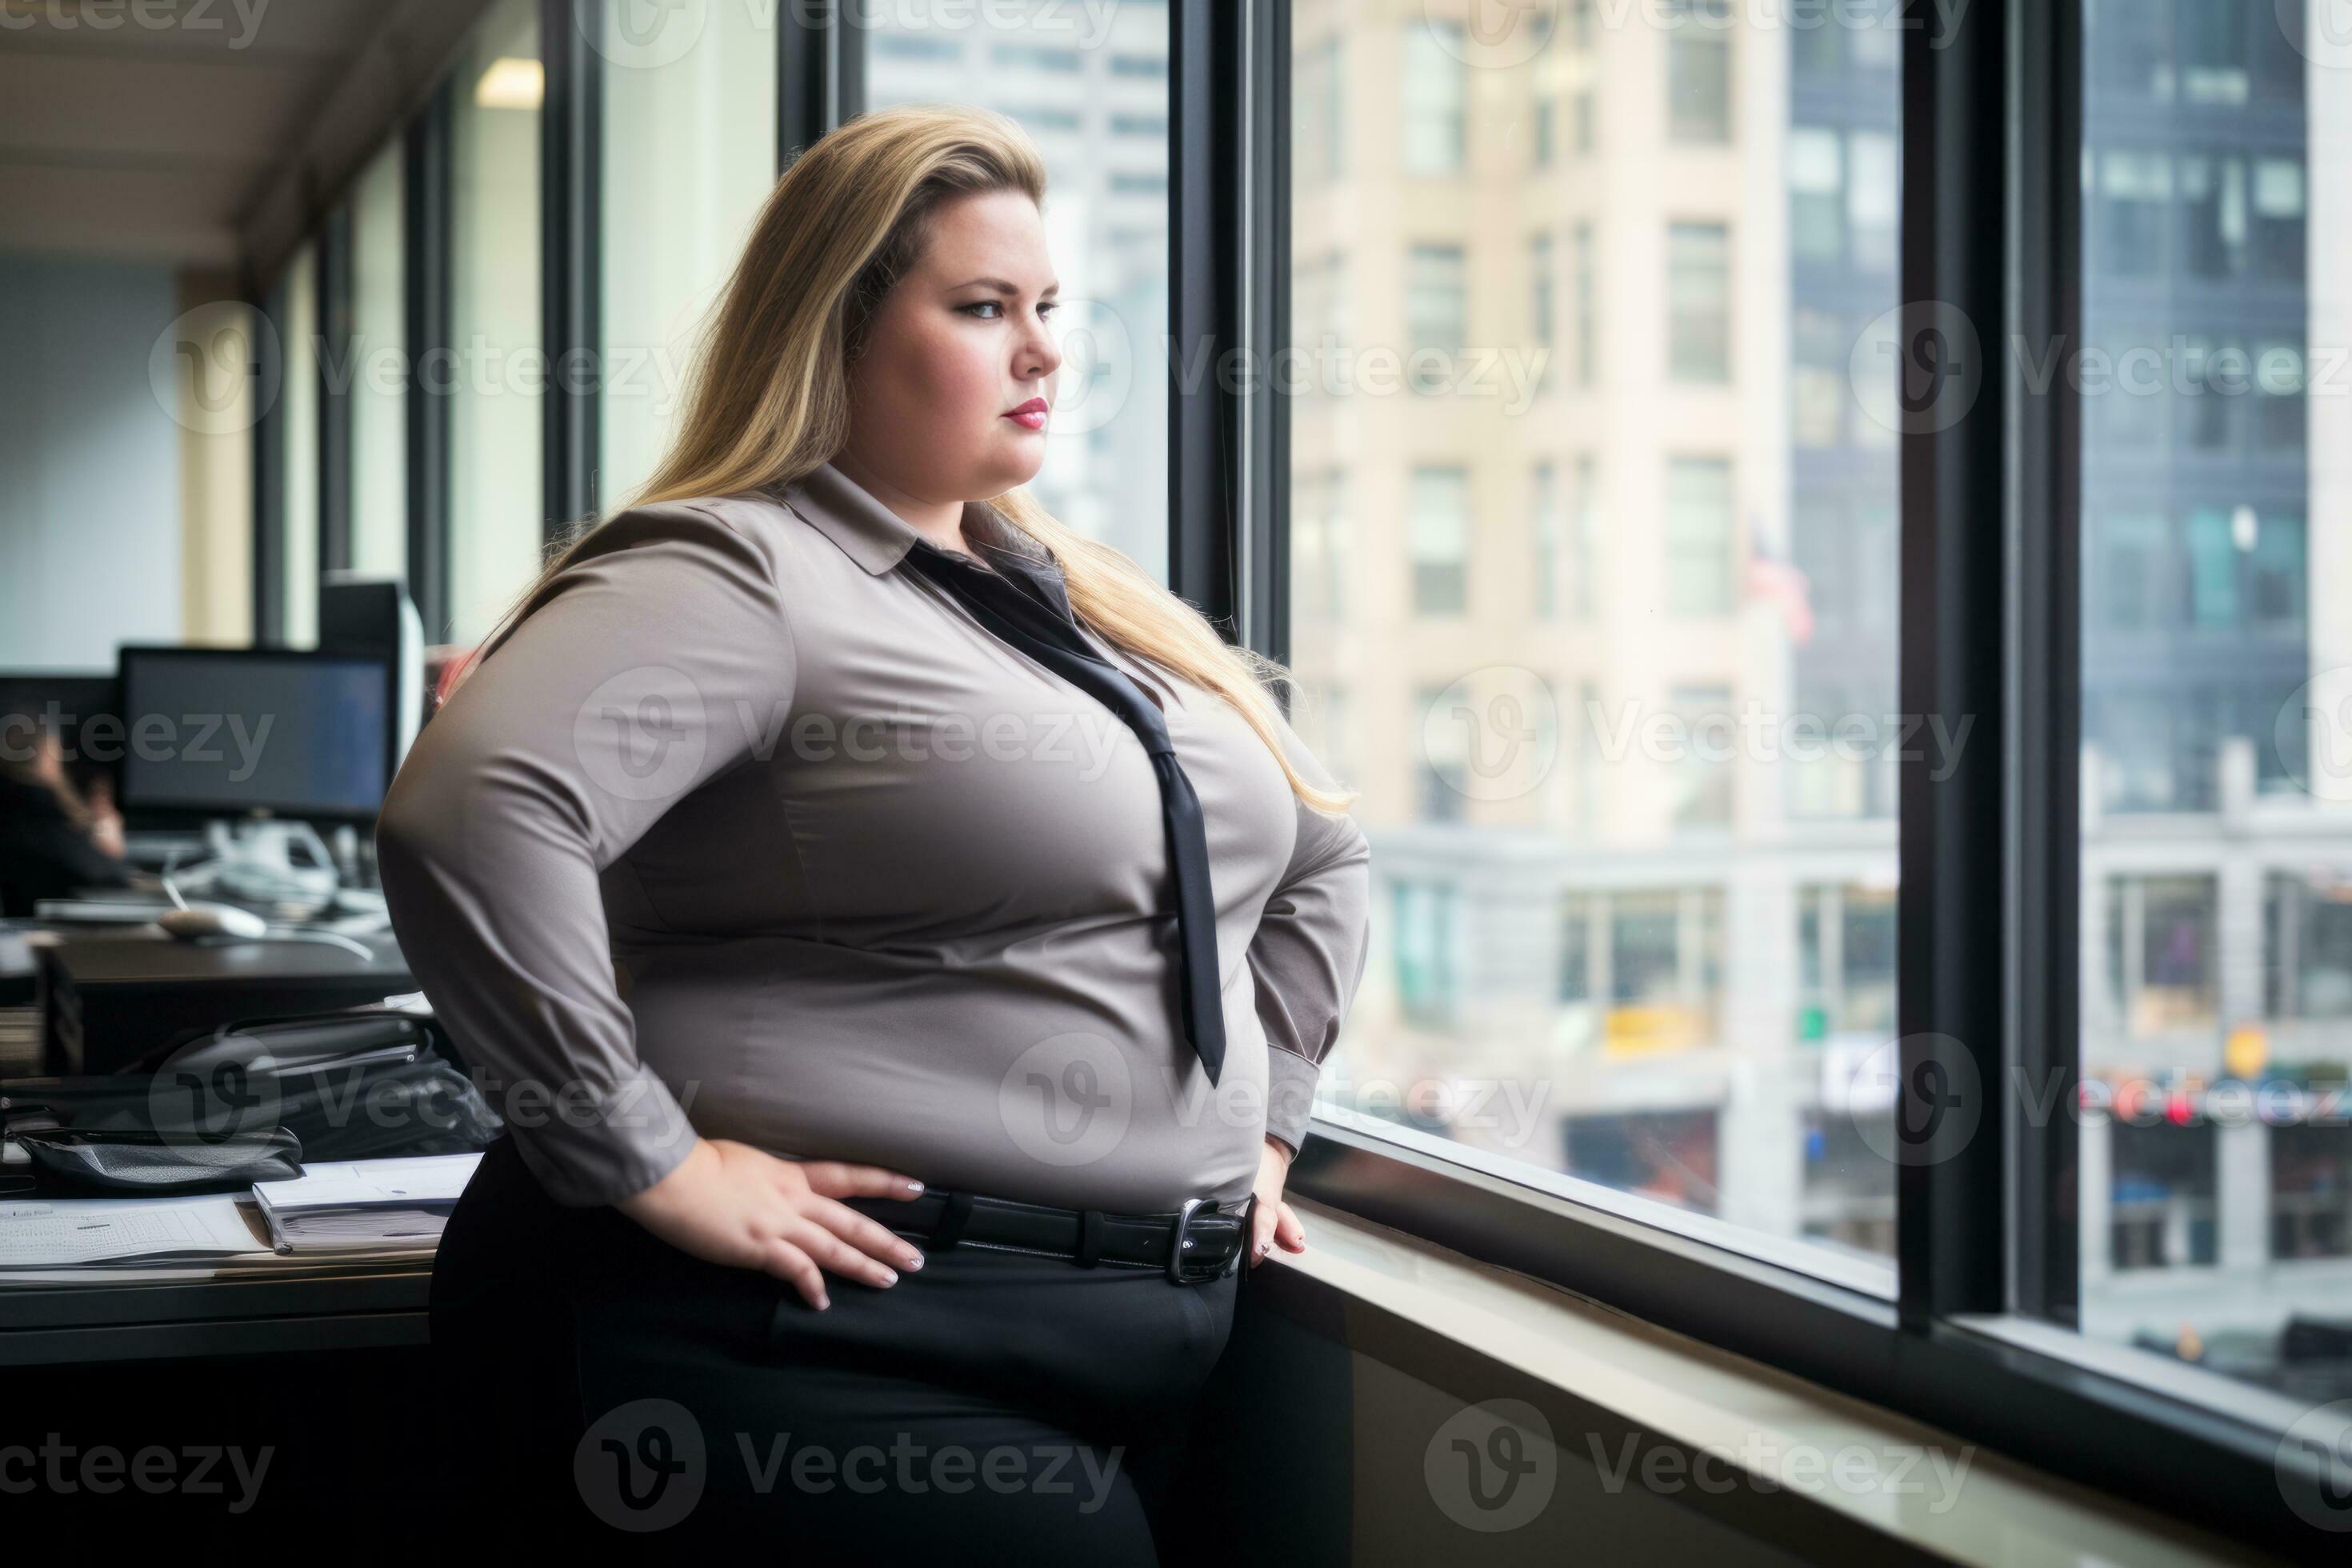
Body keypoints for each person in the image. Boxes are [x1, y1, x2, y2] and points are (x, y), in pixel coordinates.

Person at [374, 104, 1370, 1559]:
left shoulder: (1074, 604)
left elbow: (1319, 856)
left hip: (1133, 1338)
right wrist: (648, 1156)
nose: (1044, 351)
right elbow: (474, 811)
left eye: (1048, 307)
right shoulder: (745, 570)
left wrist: (1260, 1135)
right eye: (982, 309)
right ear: (833, 331)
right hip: (815, 1337)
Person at [0, 712, 130, 917]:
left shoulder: (16, 805)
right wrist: (111, 850)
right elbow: (107, 881)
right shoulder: (36, 808)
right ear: (47, 753)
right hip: (34, 931)